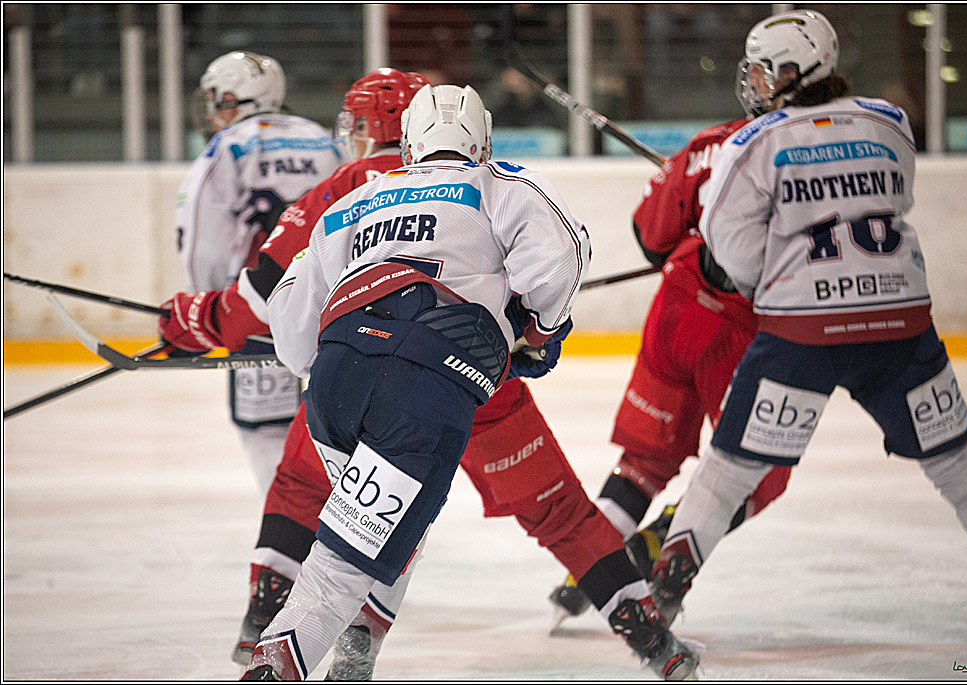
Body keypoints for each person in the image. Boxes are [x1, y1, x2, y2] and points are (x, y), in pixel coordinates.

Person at [162, 69, 698, 681]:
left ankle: (268, 622)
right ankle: (651, 634)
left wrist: (203, 323)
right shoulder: (501, 184)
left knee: (315, 493)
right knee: (556, 512)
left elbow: (273, 301)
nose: (355, 136)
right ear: (483, 142)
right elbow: (557, 264)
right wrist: (538, 335)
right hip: (463, 381)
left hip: (345, 370)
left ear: (403, 136)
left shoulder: (350, 192)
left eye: (361, 124)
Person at [647, 9, 967, 629]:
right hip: (898, 322)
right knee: (956, 458)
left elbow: (728, 247)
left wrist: (781, 263)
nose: (757, 84)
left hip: (802, 332)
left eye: (767, 72)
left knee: (730, 470)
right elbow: (895, 196)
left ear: (798, 70)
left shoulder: (752, 143)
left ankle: (665, 590)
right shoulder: (889, 123)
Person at [548, 111, 795, 627]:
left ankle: (586, 571)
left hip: (677, 310)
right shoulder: (816, 150)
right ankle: (658, 545)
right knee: (759, 472)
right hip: (741, 333)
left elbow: (650, 235)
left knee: (645, 459)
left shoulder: (708, 140)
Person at [160, 51, 344, 494]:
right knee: (334, 424)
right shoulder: (322, 139)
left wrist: (204, 313)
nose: (211, 110)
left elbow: (204, 231)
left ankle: (293, 534)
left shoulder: (230, 145)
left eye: (217, 99)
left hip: (258, 304)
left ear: (239, 98)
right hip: (332, 306)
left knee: (265, 427)